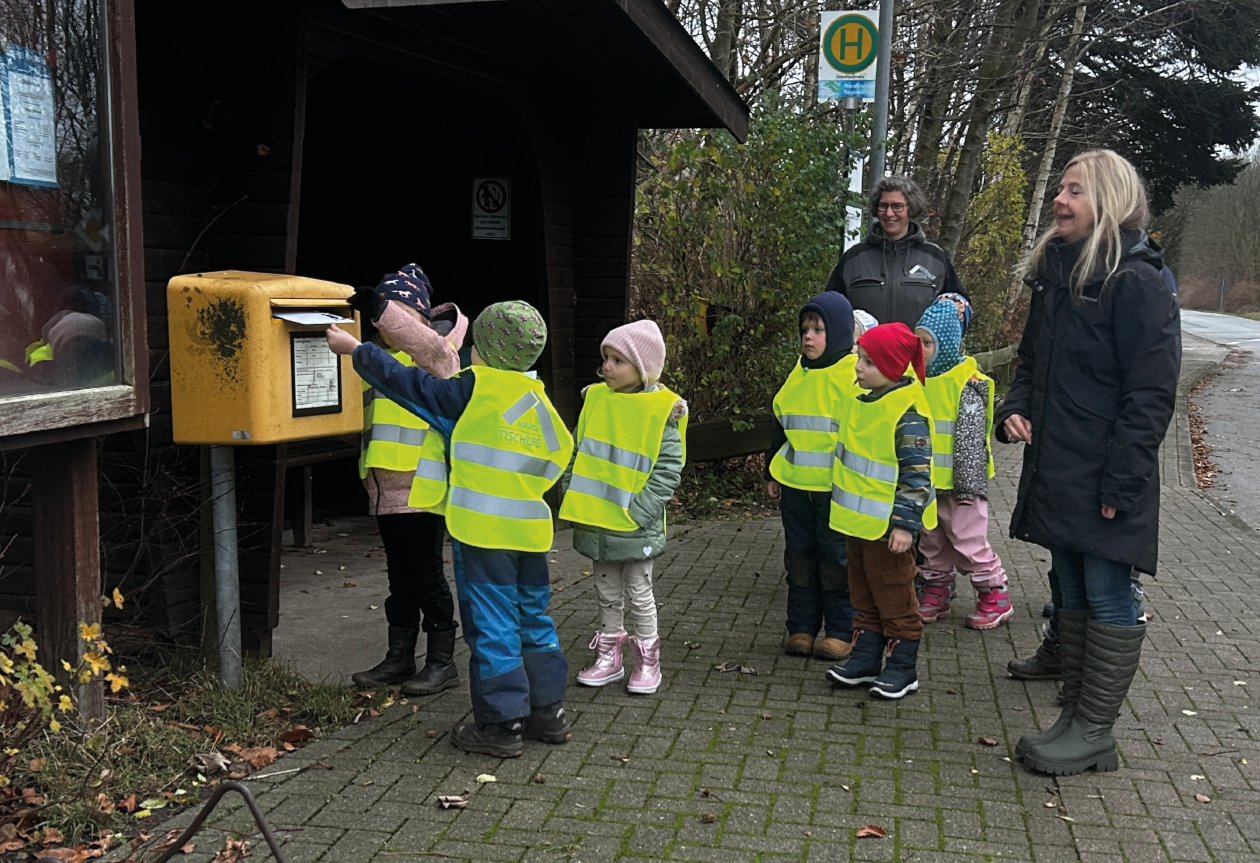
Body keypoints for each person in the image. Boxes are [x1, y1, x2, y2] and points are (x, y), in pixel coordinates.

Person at [996, 150, 1179, 776]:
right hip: (1060, 463)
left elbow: (1151, 393)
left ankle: (1094, 731)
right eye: (1060, 187)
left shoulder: (1137, 280)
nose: (1059, 199)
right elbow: (1030, 362)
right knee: (1069, 588)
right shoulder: (1057, 271)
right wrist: (1014, 409)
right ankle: (1072, 716)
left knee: (1106, 593)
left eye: (1074, 190)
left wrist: (1122, 481)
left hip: (1105, 471)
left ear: (1108, 200)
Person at [327, 301, 575, 759]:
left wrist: (355, 349)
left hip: (482, 534)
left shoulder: (472, 390)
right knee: (533, 621)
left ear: (487, 351)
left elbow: (408, 384)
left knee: (492, 626)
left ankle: (501, 726)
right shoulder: (538, 399)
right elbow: (561, 453)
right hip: (529, 534)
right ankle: (548, 713)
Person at [345, 265, 464, 697]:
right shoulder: (376, 359)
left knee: (427, 576)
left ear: (421, 318)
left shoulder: (439, 356)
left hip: (423, 488)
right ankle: (399, 659)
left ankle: (441, 662)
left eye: (396, 313)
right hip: (384, 489)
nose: (384, 323)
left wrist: (380, 312)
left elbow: (433, 353)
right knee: (400, 580)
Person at [560, 320, 686, 695]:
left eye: (618, 360)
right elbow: (578, 449)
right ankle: (609, 658)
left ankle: (648, 662)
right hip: (597, 519)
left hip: (635, 524)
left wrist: (641, 511)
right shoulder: (596, 400)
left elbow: (668, 469)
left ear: (643, 369)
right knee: (606, 592)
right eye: (606, 359)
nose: (607, 367)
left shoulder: (663, 411)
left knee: (639, 592)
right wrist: (572, 488)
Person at [825, 323, 935, 700]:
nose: (858, 367)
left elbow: (917, 476)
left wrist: (905, 526)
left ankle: (903, 668)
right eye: (860, 358)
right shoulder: (861, 401)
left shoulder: (908, 414)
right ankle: (866, 658)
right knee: (863, 594)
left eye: (868, 362)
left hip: (889, 531)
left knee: (895, 598)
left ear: (892, 367)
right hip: (857, 525)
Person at [765, 292, 859, 661]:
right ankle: (801, 628)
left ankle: (840, 631)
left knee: (835, 560)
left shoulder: (852, 375)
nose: (809, 336)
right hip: (796, 488)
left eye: (818, 329)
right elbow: (782, 424)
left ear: (837, 332)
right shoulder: (798, 374)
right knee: (799, 559)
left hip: (835, 490)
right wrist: (772, 469)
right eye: (805, 329)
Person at [913, 296, 1012, 630]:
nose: (921, 349)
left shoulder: (966, 385)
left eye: (927, 343)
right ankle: (936, 592)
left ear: (947, 343)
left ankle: (995, 594)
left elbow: (970, 441)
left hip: (962, 487)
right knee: (932, 542)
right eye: (918, 342)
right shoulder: (915, 381)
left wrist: (969, 487)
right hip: (927, 484)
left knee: (968, 542)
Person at [826, 176, 967, 329]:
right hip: (865, 353)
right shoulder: (854, 258)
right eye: (883, 206)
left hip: (918, 353)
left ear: (910, 208)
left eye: (897, 206)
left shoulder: (934, 258)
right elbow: (829, 311)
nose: (889, 213)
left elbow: (961, 311)